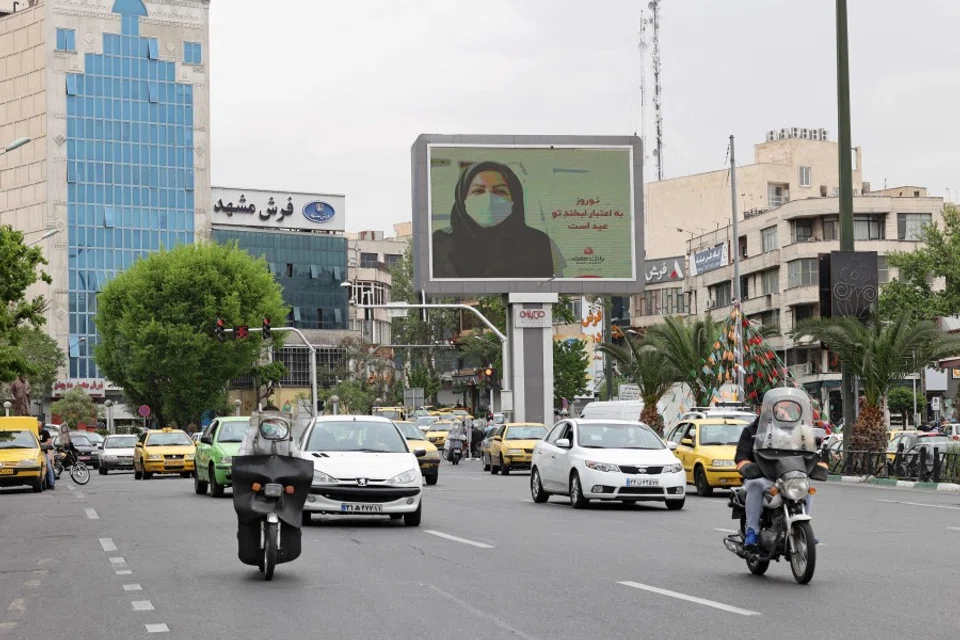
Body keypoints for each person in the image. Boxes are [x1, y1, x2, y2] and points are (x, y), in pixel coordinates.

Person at [432, 161, 554, 279]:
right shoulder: (443, 242)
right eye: (478, 191)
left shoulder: (537, 242)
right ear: (462, 198)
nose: (489, 199)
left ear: (514, 198)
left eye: (499, 191)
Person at [735, 418, 824, 551]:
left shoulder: (791, 429)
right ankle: (752, 532)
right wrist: (748, 467)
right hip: (762, 476)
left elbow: (804, 449)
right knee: (754, 484)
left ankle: (803, 530)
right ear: (763, 408)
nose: (778, 410)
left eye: (781, 406)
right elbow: (741, 456)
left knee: (804, 485)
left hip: (786, 476)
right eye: (772, 406)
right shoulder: (751, 431)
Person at [39, 426, 55, 490]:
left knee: (48, 467)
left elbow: (49, 441)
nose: (38, 427)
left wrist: (42, 444)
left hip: (43, 452)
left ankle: (51, 484)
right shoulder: (33, 431)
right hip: (34, 453)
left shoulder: (45, 432)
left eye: (39, 426)